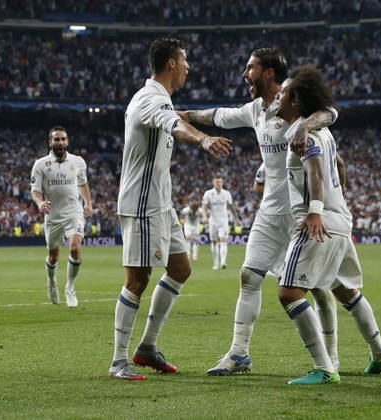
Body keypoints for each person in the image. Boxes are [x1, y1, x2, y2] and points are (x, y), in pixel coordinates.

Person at [178, 48, 340, 376]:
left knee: (319, 287)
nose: (244, 74)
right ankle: (239, 352)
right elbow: (217, 115)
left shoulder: (293, 101)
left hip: (300, 211)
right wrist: (182, 115)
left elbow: (330, 113)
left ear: (268, 73)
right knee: (249, 275)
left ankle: (331, 357)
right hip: (269, 212)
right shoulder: (254, 110)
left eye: (250, 67)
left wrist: (303, 126)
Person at [108, 37, 233, 381]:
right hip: (141, 203)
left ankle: (147, 347)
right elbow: (174, 125)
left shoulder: (160, 100)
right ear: (172, 64)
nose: (189, 68)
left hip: (162, 204)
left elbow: (177, 117)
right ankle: (118, 361)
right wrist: (204, 139)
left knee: (180, 268)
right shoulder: (150, 98)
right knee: (137, 280)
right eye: (185, 62)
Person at [275, 65, 381, 385]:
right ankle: (380, 355)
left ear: (296, 100)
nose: (278, 96)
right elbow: (339, 165)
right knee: (346, 291)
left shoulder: (304, 133)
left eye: (283, 92)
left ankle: (325, 367)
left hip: (319, 222)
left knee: (288, 292)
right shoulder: (321, 130)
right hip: (340, 221)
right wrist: (336, 201)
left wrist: (316, 211)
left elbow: (315, 169)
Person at [30, 126, 93, 308]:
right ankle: (51, 282)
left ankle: (70, 288)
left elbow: (83, 184)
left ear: (67, 141)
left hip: (74, 212)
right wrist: (40, 203)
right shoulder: (40, 165)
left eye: (63, 139)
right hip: (53, 215)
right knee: (53, 257)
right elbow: (35, 191)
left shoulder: (78, 162)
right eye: (56, 139)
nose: (60, 142)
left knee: (75, 248)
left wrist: (88, 203)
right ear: (50, 142)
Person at [202, 176, 240, 269]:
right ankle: (216, 263)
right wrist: (205, 216)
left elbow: (231, 207)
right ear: (213, 183)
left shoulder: (227, 193)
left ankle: (223, 262)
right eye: (217, 182)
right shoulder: (208, 193)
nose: (218, 184)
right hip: (213, 221)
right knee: (214, 242)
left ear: (222, 183)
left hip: (223, 221)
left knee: (223, 240)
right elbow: (204, 206)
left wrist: (237, 219)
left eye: (220, 182)